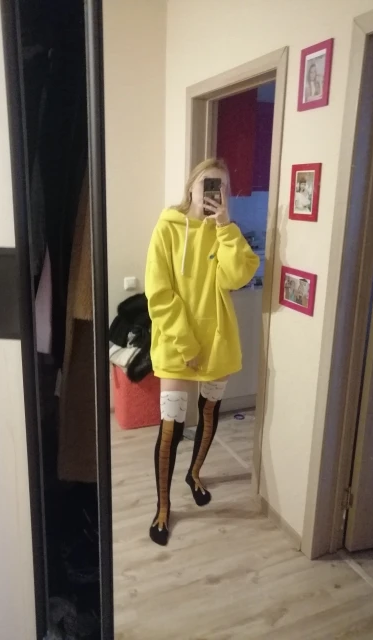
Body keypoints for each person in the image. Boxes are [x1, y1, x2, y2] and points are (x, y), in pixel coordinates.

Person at [144, 158, 260, 545]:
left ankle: (194, 475)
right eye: (209, 183)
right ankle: (163, 508)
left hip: (217, 343)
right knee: (171, 427)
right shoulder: (167, 227)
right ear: (191, 186)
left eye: (222, 186)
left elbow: (237, 276)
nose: (215, 192)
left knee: (209, 413)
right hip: (176, 343)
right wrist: (186, 344)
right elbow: (159, 293)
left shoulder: (225, 231)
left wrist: (225, 227)